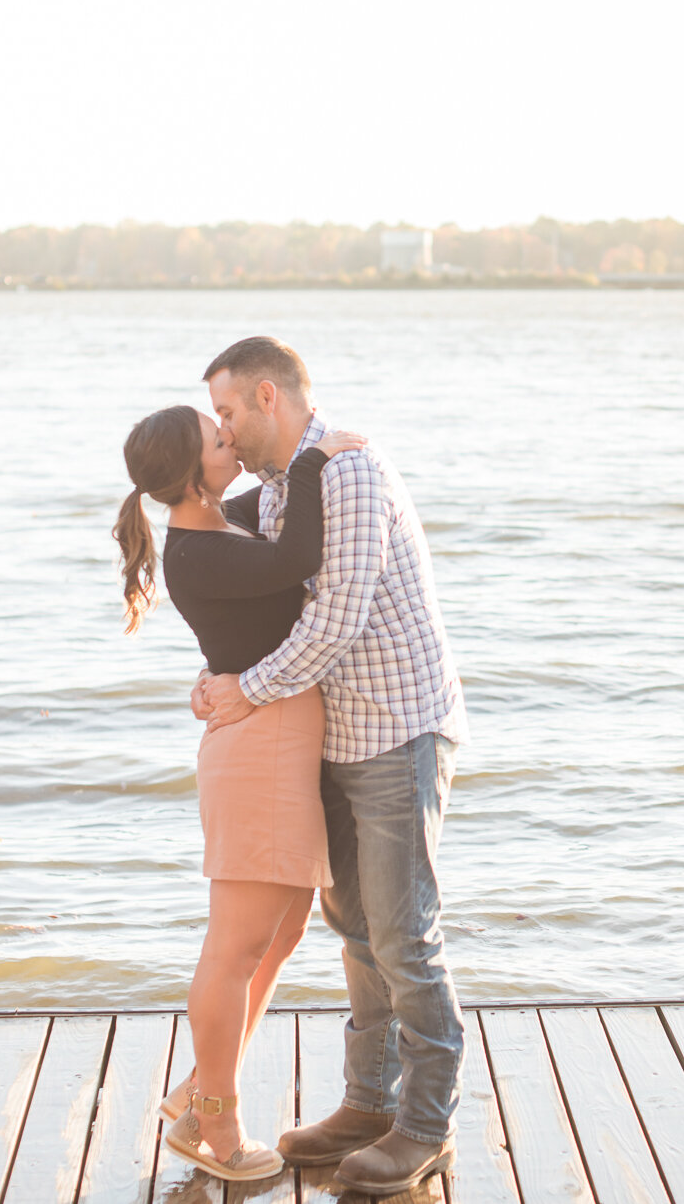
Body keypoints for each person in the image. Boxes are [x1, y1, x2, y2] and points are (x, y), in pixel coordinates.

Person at [193, 336, 469, 1196]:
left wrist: (245, 691)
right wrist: (220, 670)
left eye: (230, 411)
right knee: (354, 929)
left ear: (268, 395)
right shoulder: (280, 488)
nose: (225, 431)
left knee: (404, 934)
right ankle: (368, 1103)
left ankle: (425, 1125)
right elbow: (242, 580)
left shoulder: (346, 472)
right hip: (334, 737)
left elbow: (336, 620)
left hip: (397, 730)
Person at [112, 402, 366, 1183]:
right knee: (234, 948)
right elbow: (296, 555)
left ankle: (198, 1089)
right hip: (258, 753)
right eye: (218, 438)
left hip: (282, 743)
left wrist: (300, 459)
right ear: (192, 473)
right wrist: (324, 455)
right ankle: (215, 1126)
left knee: (281, 934)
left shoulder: (219, 522)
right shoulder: (195, 552)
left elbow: (276, 507)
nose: (233, 440)